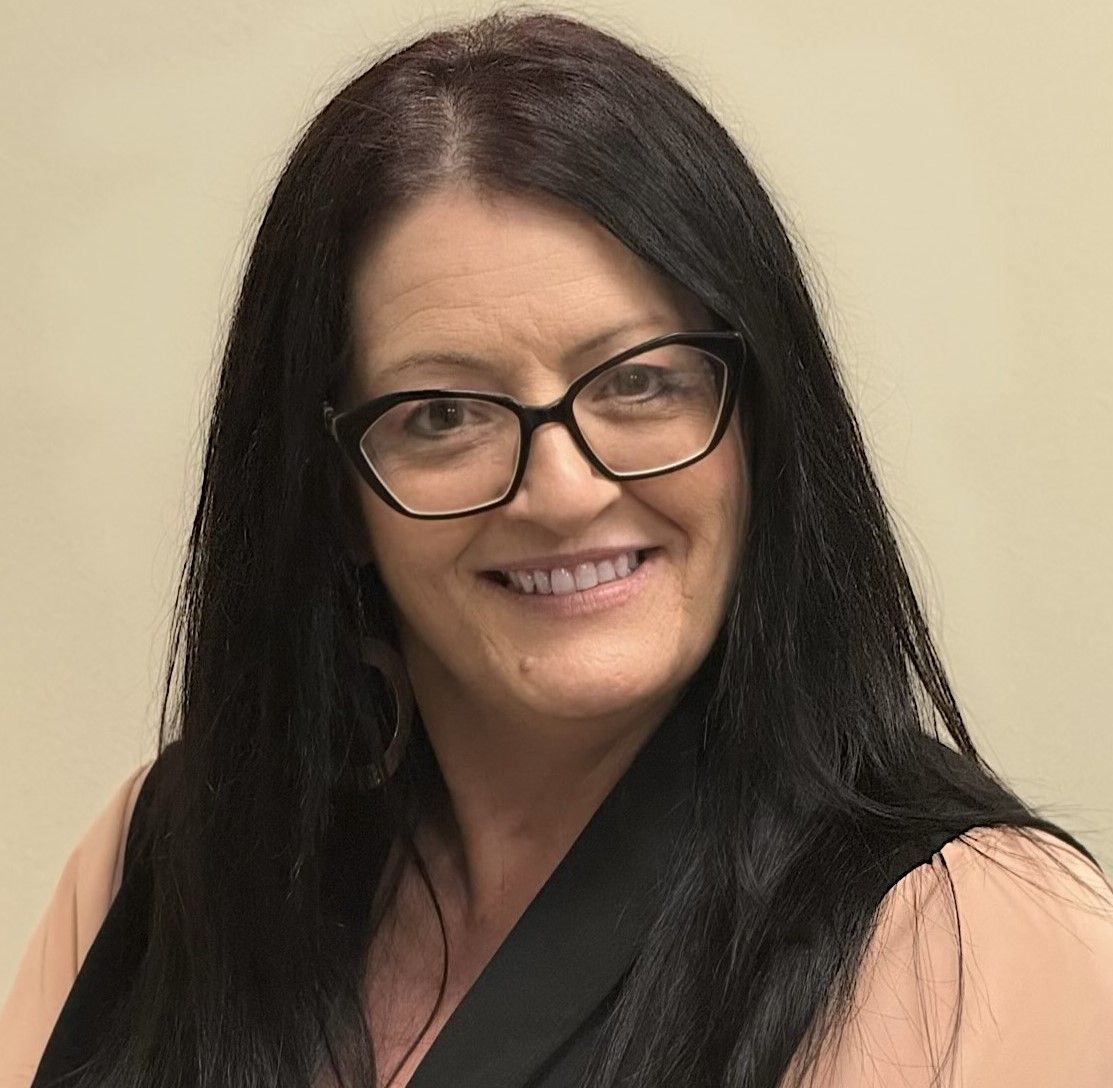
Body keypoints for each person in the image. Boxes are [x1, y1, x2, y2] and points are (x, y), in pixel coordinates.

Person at [3, 10, 1112, 1088]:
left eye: (639, 381)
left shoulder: (981, 942)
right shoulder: (163, 864)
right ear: (333, 491)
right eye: (443, 413)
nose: (564, 489)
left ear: (763, 426)